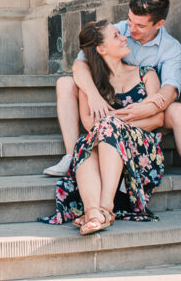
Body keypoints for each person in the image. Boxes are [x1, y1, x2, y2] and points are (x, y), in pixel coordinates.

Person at [42, 0, 181, 216]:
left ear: (158, 24)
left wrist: (149, 106)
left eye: (140, 26)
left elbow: (171, 88)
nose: (130, 30)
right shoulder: (118, 31)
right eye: (130, 20)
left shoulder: (170, 48)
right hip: (108, 114)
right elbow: (81, 64)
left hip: (146, 111)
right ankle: (71, 155)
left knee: (180, 110)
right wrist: (92, 95)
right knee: (65, 83)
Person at [39, 20, 165, 234]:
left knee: (107, 128)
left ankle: (106, 207)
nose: (125, 37)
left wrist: (116, 122)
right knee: (85, 146)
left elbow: (157, 119)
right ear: (101, 49)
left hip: (142, 151)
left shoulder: (147, 74)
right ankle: (94, 213)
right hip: (104, 146)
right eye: (116, 36)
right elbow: (89, 123)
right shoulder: (91, 83)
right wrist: (110, 124)